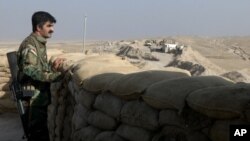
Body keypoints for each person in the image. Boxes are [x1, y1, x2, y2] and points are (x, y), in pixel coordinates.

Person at [17, 11, 65, 141]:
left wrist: (51, 68)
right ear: (38, 27)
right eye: (49, 26)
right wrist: (54, 76)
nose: (52, 30)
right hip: (32, 97)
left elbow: (38, 68)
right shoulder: (30, 44)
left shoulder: (39, 43)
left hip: (39, 95)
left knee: (41, 130)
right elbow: (29, 69)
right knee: (37, 133)